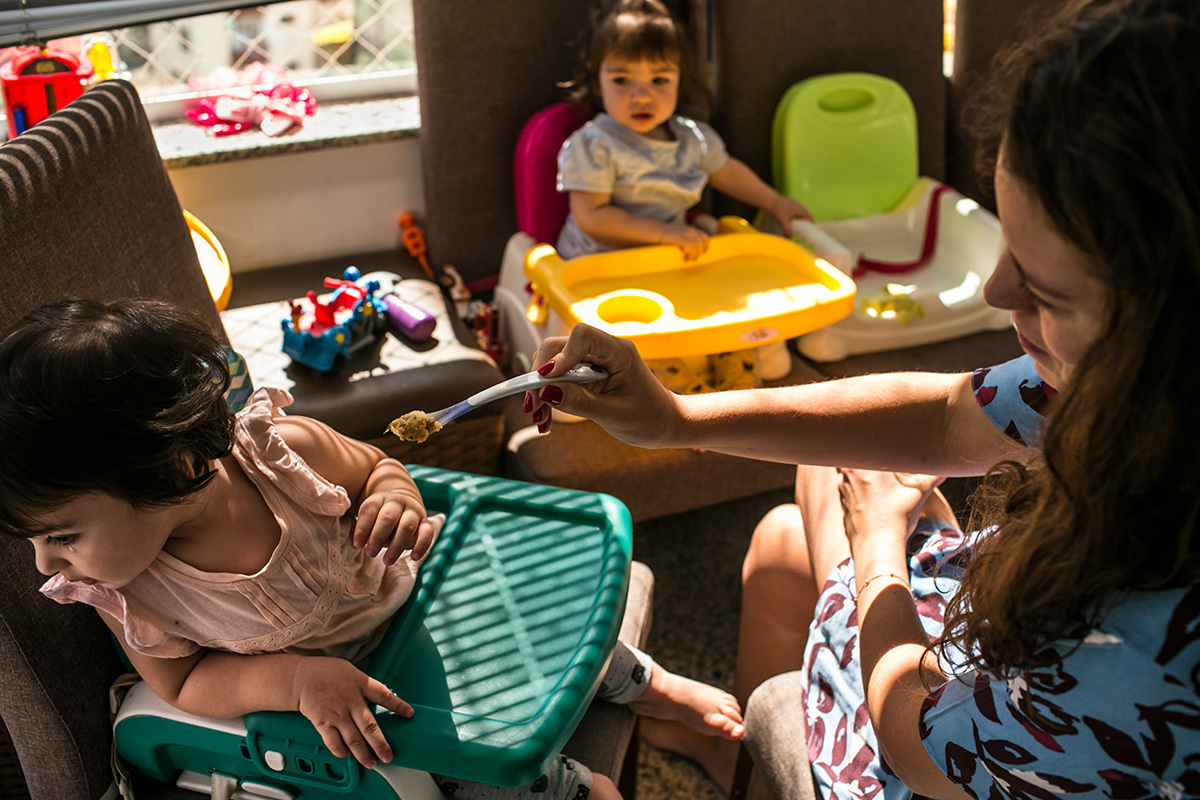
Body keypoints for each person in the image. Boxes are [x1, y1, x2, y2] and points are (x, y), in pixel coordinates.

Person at [524, 0, 1200, 796]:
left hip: (936, 741)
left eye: (1044, 289)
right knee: (787, 529)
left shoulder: (1136, 660)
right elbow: (950, 413)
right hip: (993, 691)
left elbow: (918, 743)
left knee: (830, 500)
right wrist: (676, 416)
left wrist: (879, 550)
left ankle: (773, 738)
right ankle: (738, 757)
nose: (996, 287)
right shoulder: (1126, 392)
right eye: (1008, 247)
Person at [0, 297, 746, 800]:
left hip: (423, 594)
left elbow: (384, 467)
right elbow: (183, 684)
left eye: (61, 534)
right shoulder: (123, 592)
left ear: (163, 468)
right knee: (484, 770)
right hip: (364, 692)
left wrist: (395, 499)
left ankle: (646, 685)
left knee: (548, 630)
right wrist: (293, 684)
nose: (44, 565)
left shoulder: (283, 452)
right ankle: (562, 776)